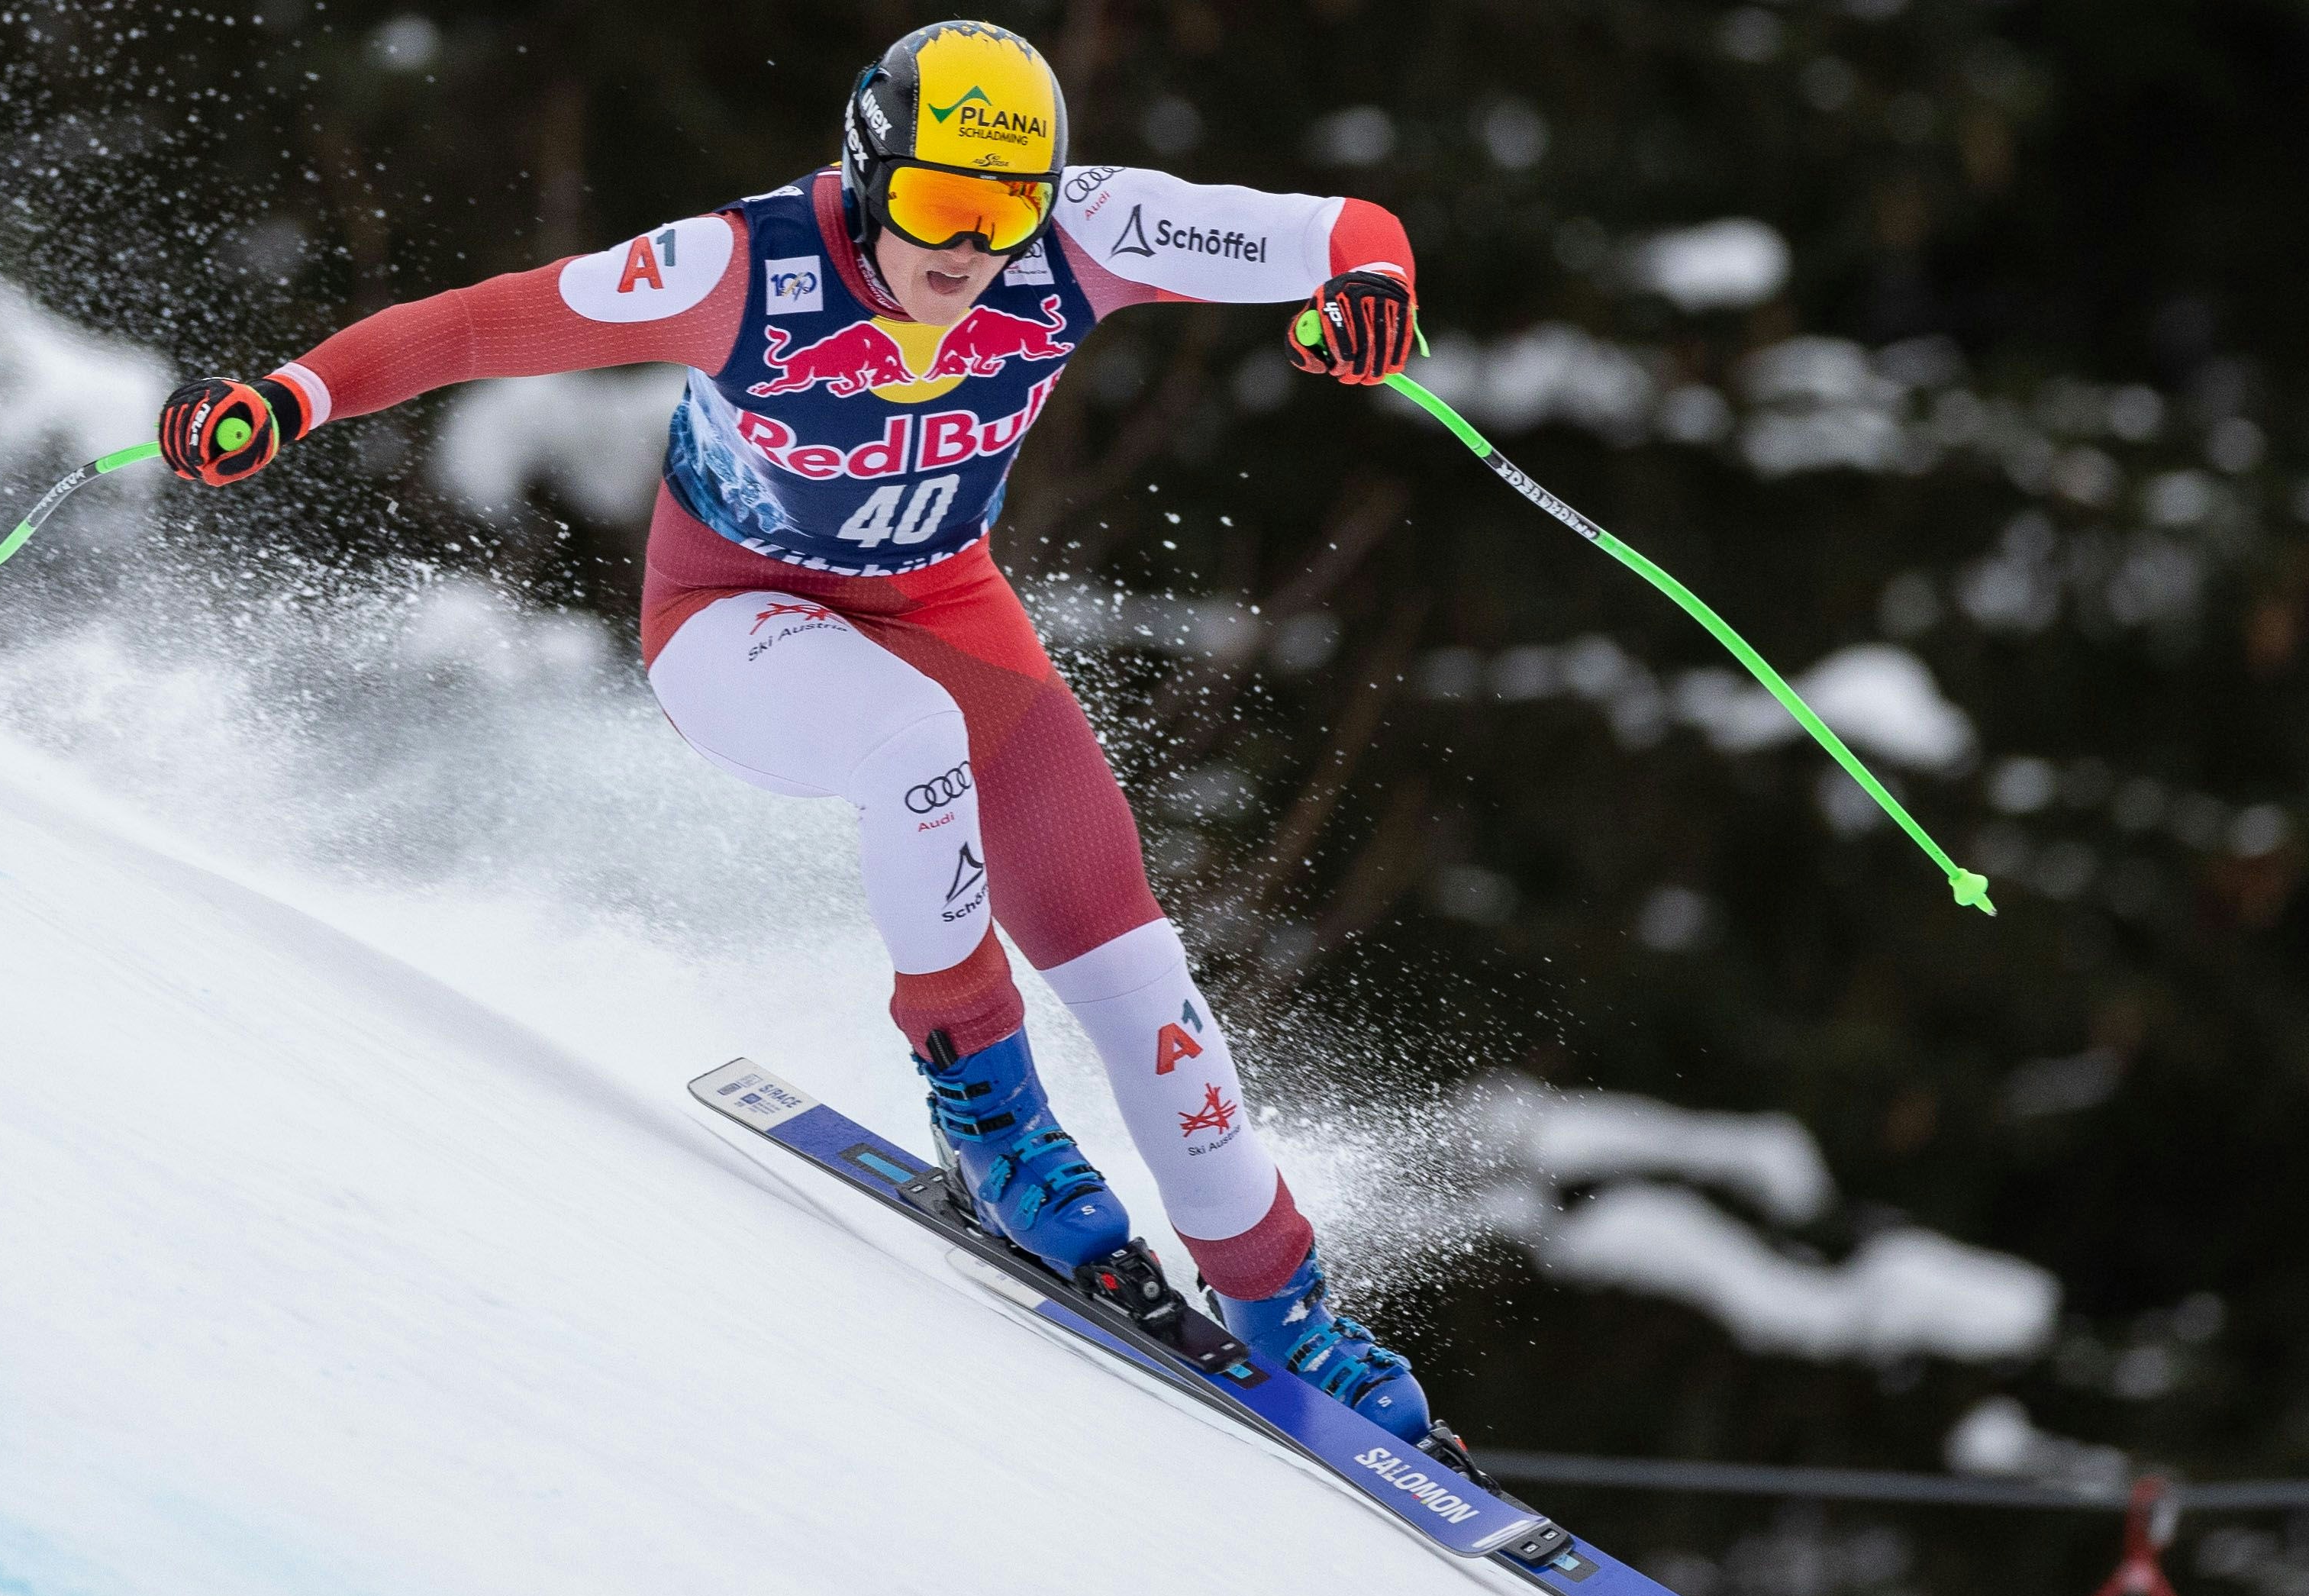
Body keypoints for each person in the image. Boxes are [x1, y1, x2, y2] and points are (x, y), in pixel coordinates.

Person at [160, 20, 1432, 1439]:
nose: (972, 250)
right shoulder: (743, 269)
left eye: (1005, 210)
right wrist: (295, 394)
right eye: (943, 205)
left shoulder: (1083, 235)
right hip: (732, 624)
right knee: (912, 744)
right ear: (869, 170)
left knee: (1133, 960)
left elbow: (1341, 229)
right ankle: (992, 1122)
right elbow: (481, 323)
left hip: (946, 607)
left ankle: (1282, 1302)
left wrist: (1370, 287)